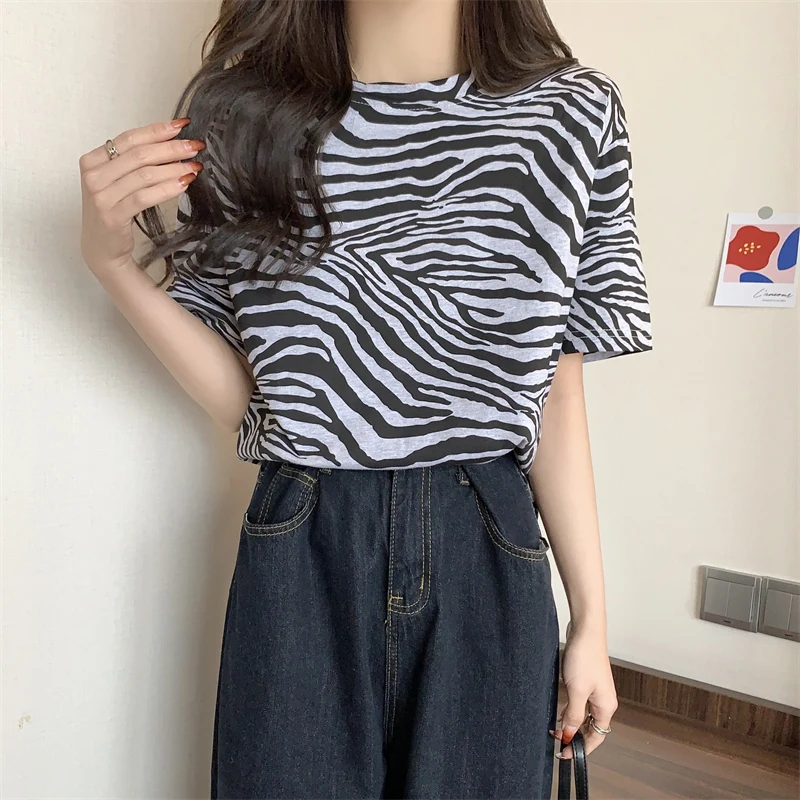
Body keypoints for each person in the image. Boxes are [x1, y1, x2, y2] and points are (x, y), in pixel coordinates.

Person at [78, 0, 652, 797]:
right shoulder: (243, 116)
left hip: (487, 536)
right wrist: (111, 265)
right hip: (304, 532)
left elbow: (553, 388)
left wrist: (590, 618)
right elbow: (261, 400)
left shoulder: (571, 114)